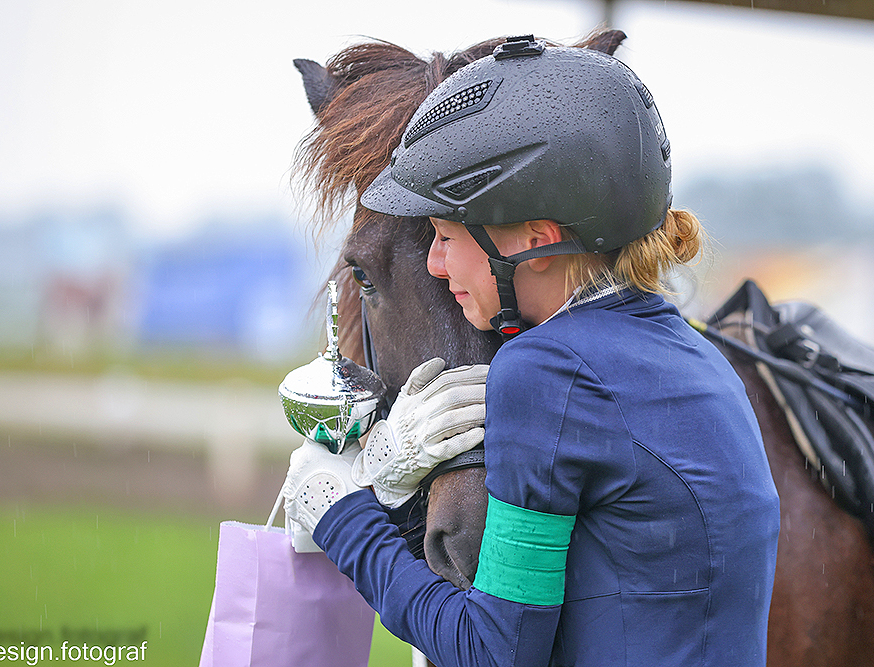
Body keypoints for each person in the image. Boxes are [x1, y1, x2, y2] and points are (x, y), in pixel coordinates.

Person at [282, 35, 780, 667]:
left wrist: (345, 516)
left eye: (444, 235)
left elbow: (494, 653)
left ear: (535, 241)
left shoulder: (543, 371)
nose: (436, 264)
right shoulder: (700, 355)